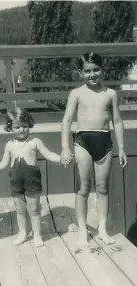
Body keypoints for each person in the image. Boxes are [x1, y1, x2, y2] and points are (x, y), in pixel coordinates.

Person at [61, 52, 127, 247]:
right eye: (87, 71)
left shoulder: (110, 94)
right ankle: (83, 229)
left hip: (104, 141)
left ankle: (102, 229)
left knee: (102, 187)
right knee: (83, 188)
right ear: (81, 73)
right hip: (82, 141)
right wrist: (65, 147)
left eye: (96, 70)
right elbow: (66, 120)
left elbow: (117, 121)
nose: (92, 74)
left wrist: (122, 148)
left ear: (102, 69)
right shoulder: (77, 93)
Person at [0, 108, 61, 247]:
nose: (21, 129)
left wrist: (60, 158)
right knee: (20, 210)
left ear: (29, 125)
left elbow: (48, 153)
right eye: (17, 127)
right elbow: (4, 162)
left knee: (34, 209)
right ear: (10, 127)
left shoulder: (35, 141)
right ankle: (23, 233)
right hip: (15, 180)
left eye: (25, 126)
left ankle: (37, 235)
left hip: (32, 180)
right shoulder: (10, 144)